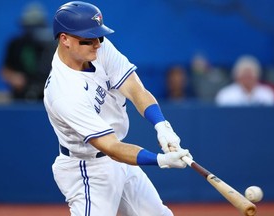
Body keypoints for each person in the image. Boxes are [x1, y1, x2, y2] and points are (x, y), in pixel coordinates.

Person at [43, 2, 193, 216]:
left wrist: (162, 125)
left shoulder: (97, 48)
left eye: (99, 36)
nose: (97, 44)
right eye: (88, 39)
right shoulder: (63, 92)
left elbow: (134, 89)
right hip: (87, 169)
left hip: (121, 158)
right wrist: (160, 160)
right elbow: (110, 146)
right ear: (64, 39)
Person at [1, 2, 56, 102]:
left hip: (49, 95)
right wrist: (14, 77)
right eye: (29, 26)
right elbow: (5, 70)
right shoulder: (16, 44)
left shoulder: (53, 44)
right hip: (22, 95)